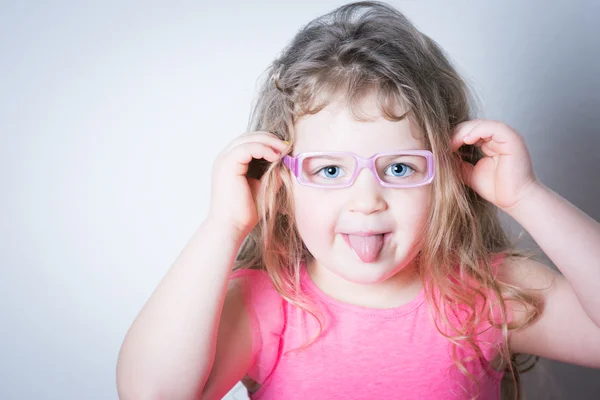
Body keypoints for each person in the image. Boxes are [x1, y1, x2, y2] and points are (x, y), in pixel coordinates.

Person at [116, 2, 600, 399]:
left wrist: (525, 196)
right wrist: (222, 226)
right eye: (329, 170)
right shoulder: (267, 305)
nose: (367, 200)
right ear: (281, 188)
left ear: (447, 178)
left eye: (399, 168)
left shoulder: (481, 293)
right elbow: (150, 394)